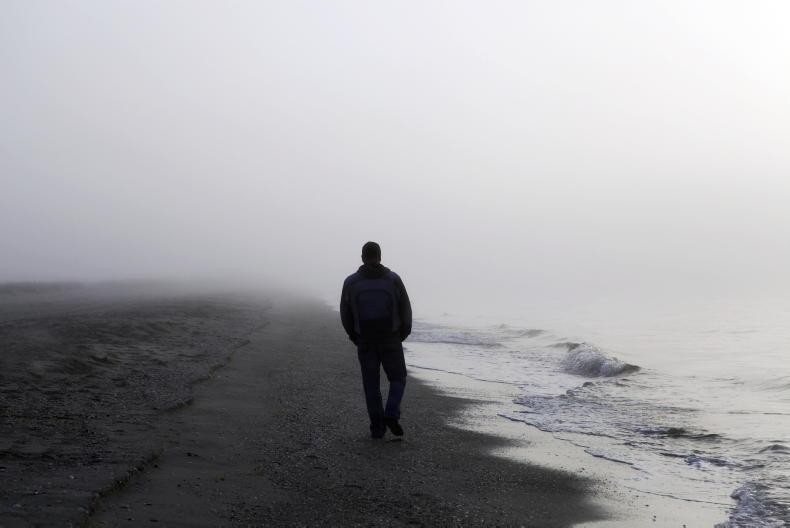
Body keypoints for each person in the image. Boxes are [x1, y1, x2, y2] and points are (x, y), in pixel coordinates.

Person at [340, 241, 412, 439]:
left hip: (365, 340)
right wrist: (403, 333)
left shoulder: (351, 282)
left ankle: (377, 429)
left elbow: (345, 314)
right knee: (398, 379)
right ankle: (391, 412)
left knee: (371, 385)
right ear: (380, 257)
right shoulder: (393, 279)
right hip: (391, 338)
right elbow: (406, 308)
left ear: (362, 257)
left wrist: (354, 335)